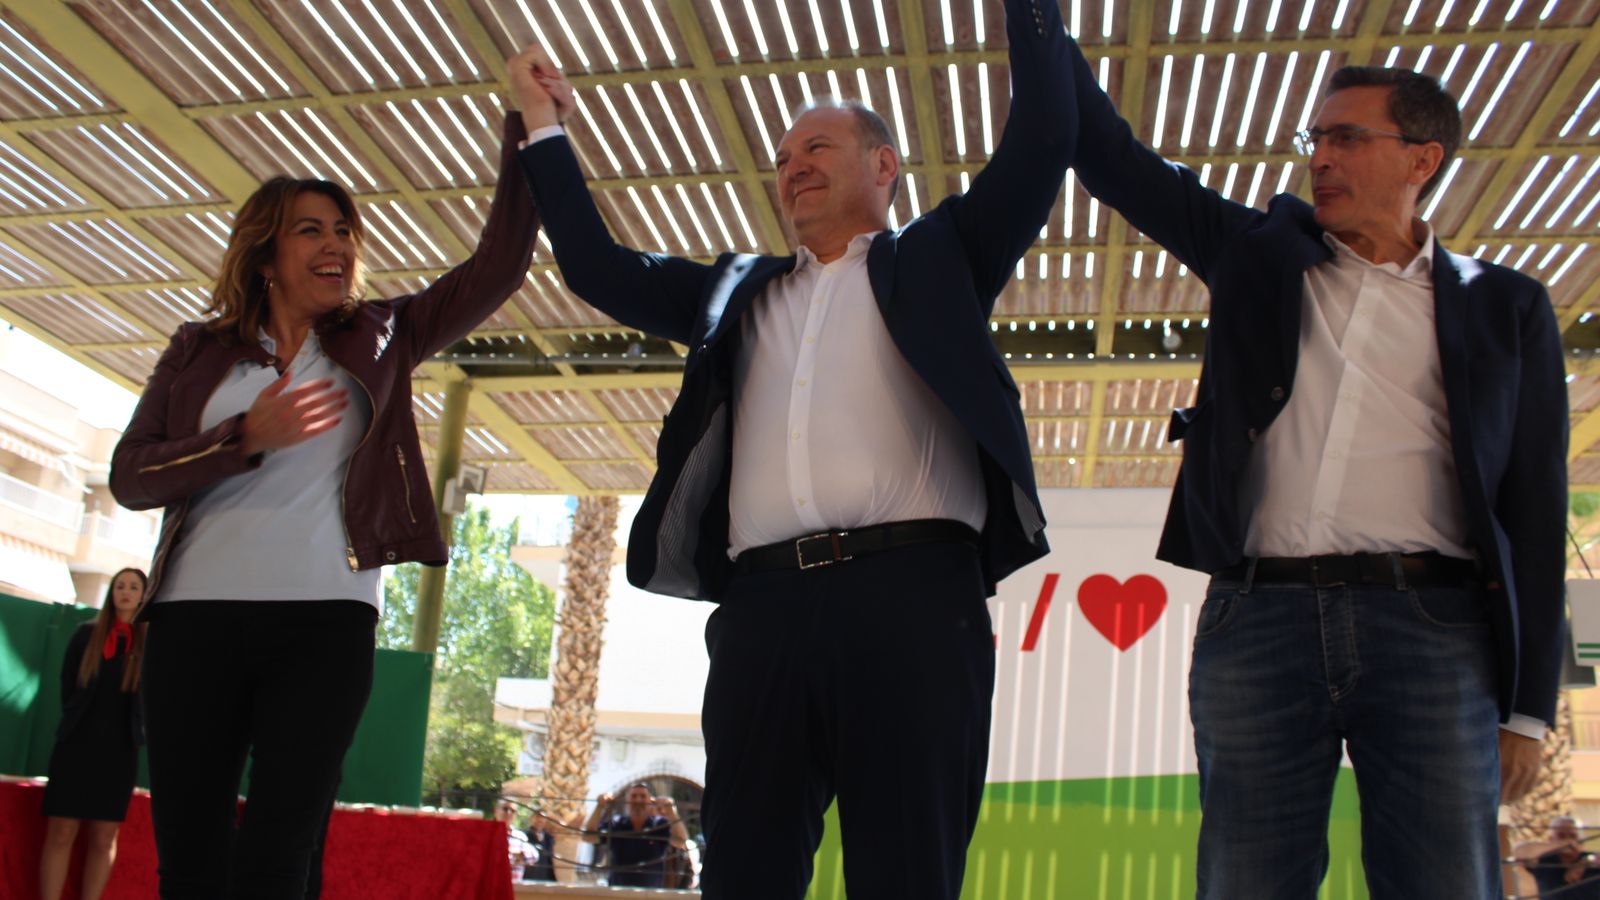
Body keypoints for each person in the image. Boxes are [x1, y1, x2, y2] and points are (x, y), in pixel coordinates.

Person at [509, 0, 1073, 894]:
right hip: (763, 612)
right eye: (781, 158)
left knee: (907, 872)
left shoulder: (942, 257)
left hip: (914, 602)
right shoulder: (736, 291)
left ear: (883, 166)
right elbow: (595, 268)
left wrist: (1032, 15)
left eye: (817, 147)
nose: (793, 166)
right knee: (745, 871)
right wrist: (542, 125)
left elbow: (1040, 146)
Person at [1056, 29, 1568, 900]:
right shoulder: (1259, 255)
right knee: (1247, 883)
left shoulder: (1504, 304)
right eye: (1316, 139)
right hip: (1258, 622)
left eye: (1347, 138)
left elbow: (1535, 509)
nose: (1320, 158)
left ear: (1423, 159)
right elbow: (1112, 159)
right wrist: (1036, 21)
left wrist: (1528, 706)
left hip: (1436, 633)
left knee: (1446, 884)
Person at [108, 45, 547, 900]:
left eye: (344, 230)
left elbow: (498, 266)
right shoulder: (198, 349)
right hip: (193, 625)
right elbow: (130, 476)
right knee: (191, 865)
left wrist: (527, 130)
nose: (337, 244)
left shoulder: (385, 334)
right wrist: (242, 436)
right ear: (264, 255)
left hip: (325, 624)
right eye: (311, 229)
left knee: (279, 860)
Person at [38, 568, 147, 900]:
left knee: (103, 838)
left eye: (134, 587)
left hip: (119, 753)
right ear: (111, 592)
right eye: (120, 586)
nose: (125, 592)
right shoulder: (85, 635)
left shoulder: (151, 644)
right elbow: (67, 688)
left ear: (144, 596)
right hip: (76, 748)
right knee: (61, 831)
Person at [580, 785, 686, 888]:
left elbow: (681, 841)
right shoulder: (617, 823)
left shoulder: (660, 824)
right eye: (634, 796)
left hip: (650, 894)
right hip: (618, 893)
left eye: (643, 796)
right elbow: (588, 837)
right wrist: (599, 807)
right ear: (627, 801)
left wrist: (671, 812)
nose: (638, 800)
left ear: (650, 801)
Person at [1515, 817, 1600, 899]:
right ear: (1551, 839)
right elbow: (1519, 852)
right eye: (1561, 836)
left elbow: (1595, 857)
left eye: (1573, 836)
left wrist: (1586, 861)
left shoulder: (1591, 859)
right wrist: (1560, 845)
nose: (1568, 840)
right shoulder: (1544, 860)